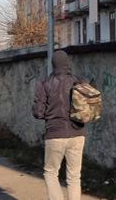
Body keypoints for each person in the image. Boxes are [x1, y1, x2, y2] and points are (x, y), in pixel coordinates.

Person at [33, 50, 85, 200]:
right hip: (78, 134)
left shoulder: (45, 83)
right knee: (74, 176)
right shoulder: (79, 81)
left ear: (53, 64)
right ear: (67, 63)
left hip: (55, 134)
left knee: (50, 172)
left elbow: (38, 112)